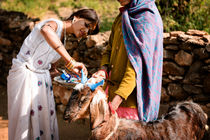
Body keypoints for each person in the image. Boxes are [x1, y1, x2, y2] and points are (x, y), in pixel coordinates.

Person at [7, 9, 99, 140]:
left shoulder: (63, 38)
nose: (86, 31)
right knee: (25, 123)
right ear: (77, 17)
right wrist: (71, 61)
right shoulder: (54, 24)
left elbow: (49, 67)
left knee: (42, 123)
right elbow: (46, 30)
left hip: (40, 80)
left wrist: (66, 74)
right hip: (25, 76)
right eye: (87, 25)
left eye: (89, 32)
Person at [93, 0, 163, 122]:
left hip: (130, 104)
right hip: (111, 96)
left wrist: (116, 101)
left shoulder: (147, 20)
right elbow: (109, 48)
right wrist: (103, 69)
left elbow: (136, 68)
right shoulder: (123, 16)